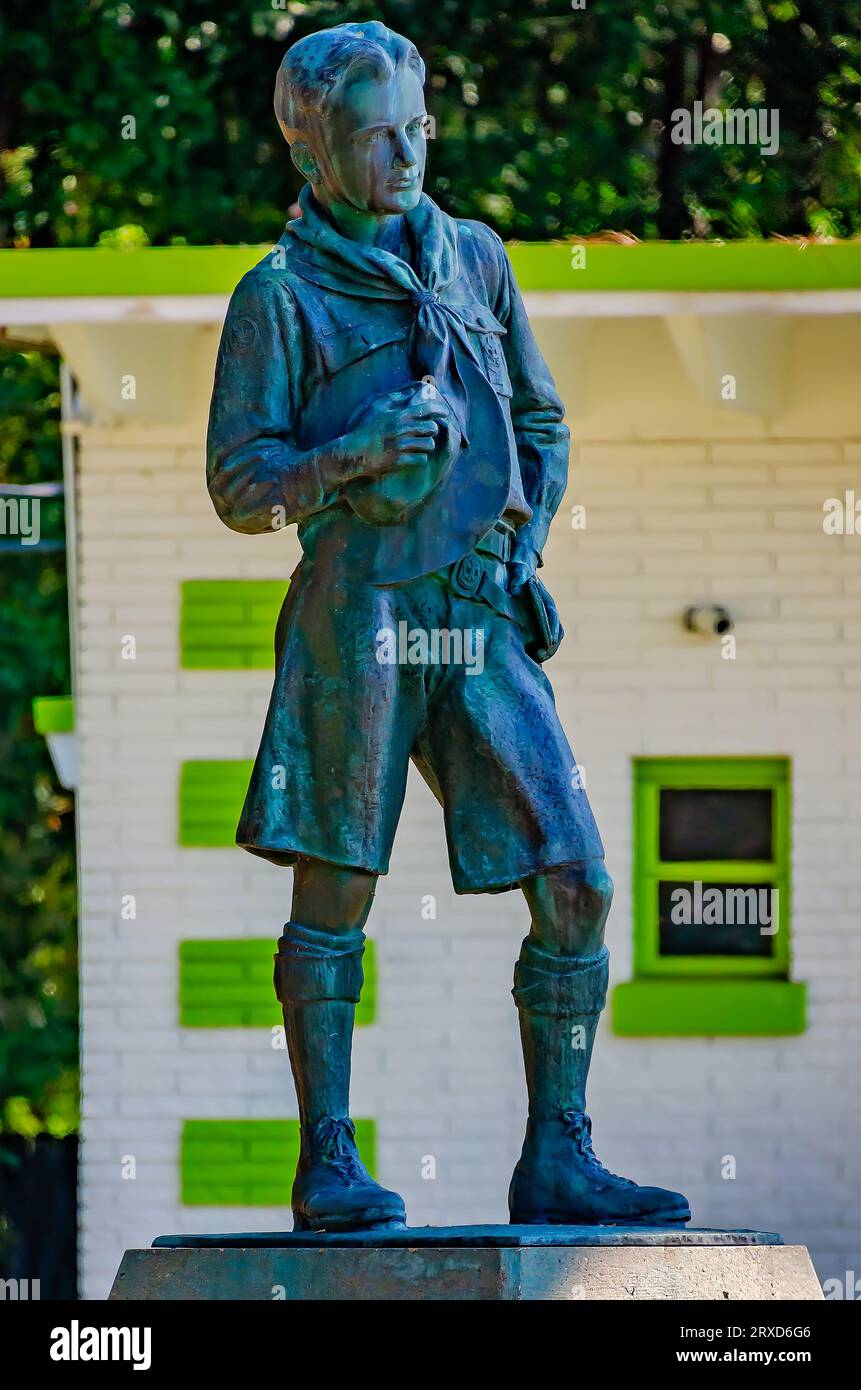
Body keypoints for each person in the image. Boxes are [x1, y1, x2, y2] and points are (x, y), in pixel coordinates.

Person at [207, 20, 689, 1233]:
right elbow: (239, 484)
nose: (408, 154)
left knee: (574, 876)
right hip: (358, 611)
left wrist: (521, 555)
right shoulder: (278, 295)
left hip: (476, 609)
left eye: (418, 128)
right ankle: (328, 1162)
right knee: (338, 887)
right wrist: (350, 456)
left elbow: (542, 422)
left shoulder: (476, 256)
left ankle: (560, 1155)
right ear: (312, 147)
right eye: (378, 134)